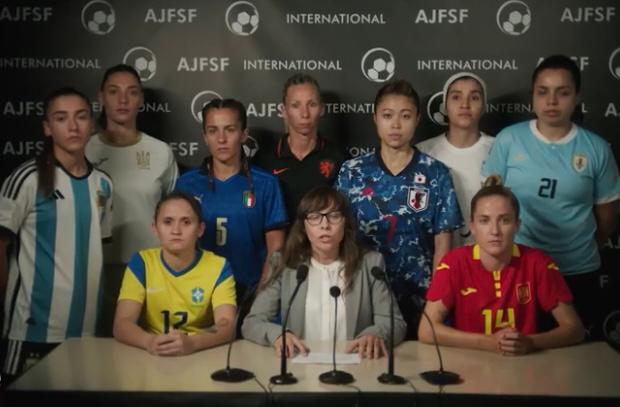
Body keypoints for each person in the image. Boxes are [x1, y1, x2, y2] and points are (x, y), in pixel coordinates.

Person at [482, 55, 620, 338]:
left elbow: (607, 217)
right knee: (516, 357)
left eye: (563, 92)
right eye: (543, 92)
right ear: (533, 96)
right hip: (519, 270)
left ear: (577, 96)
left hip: (577, 272)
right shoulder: (509, 139)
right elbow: (491, 203)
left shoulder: (596, 149)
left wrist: (578, 247)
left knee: (577, 364)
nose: (552, 101)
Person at [0, 88, 113, 382]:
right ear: (48, 128)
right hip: (32, 330)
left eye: (81, 117)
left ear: (92, 124)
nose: (73, 126)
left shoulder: (104, 184)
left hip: (87, 332)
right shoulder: (27, 179)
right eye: (61, 118)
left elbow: (98, 252)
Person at [335, 79, 463, 338]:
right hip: (364, 298)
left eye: (405, 116)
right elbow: (339, 236)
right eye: (387, 115)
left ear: (416, 119)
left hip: (421, 298)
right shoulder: (352, 172)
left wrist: (435, 302)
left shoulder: (435, 173)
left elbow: (443, 247)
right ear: (375, 118)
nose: (396, 125)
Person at [419, 179, 585, 355]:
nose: (494, 231)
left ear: (517, 225)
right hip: (469, 364)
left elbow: (575, 329)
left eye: (504, 220)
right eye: (484, 221)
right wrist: (487, 342)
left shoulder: (538, 263)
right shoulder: (453, 263)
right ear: (472, 227)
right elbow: (426, 331)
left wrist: (531, 342)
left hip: (525, 365)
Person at [242, 187, 406, 359]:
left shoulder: (370, 263)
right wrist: (277, 335)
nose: (325, 225)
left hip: (356, 365)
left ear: (345, 223)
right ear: (304, 227)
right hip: (300, 364)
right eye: (314, 217)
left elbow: (395, 322)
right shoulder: (285, 263)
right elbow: (252, 322)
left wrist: (376, 334)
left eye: (334, 216)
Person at [86, 64, 178, 336]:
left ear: (141, 99)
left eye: (132, 92)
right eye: (114, 92)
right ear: (101, 97)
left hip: (149, 271)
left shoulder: (160, 152)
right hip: (96, 272)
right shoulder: (84, 149)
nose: (123, 100)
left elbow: (172, 213)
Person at [176, 98, 287, 301]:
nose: (221, 139)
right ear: (204, 136)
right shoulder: (186, 184)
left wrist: (261, 294)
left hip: (250, 292)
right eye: (213, 130)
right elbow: (176, 243)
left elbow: (276, 248)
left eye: (229, 129)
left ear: (243, 134)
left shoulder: (266, 183)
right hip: (198, 293)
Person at [113, 192, 236, 355]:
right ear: (155, 228)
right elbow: (122, 323)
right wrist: (149, 342)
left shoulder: (219, 266)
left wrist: (193, 343)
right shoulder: (142, 262)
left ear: (200, 229)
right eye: (167, 222)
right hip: (152, 354)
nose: (176, 230)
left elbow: (227, 325)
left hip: (200, 354)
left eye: (186, 222)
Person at [252, 73, 346, 218]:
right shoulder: (264, 160)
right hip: (281, 240)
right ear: (284, 111)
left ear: (321, 109)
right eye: (296, 105)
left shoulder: (339, 158)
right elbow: (253, 209)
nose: (305, 114)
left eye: (312, 104)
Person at [417, 72, 494, 247]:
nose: (465, 105)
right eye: (456, 97)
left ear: (483, 106)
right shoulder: (423, 152)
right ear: (445, 106)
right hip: (440, 258)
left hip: (487, 258)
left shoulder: (499, 149)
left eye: (474, 97)